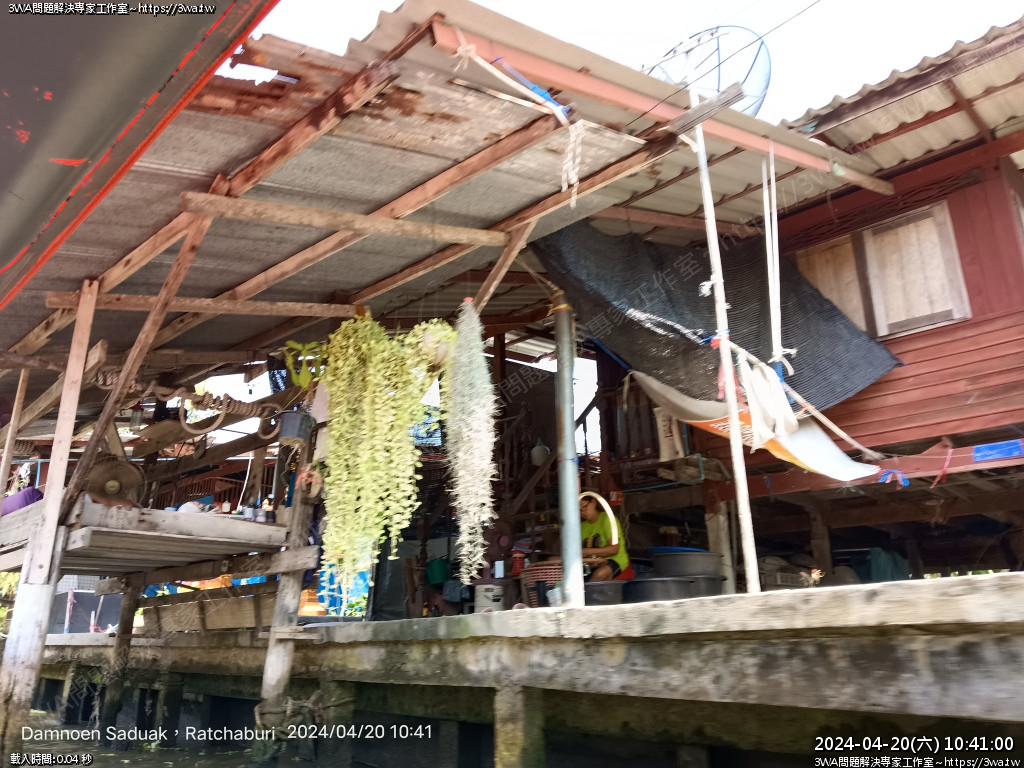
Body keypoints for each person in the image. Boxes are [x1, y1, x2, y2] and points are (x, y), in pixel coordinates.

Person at [579, 491, 631, 582]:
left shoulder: (607, 519)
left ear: (593, 502)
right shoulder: (581, 527)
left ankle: (589, 591)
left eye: (585, 507)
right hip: (591, 563)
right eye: (580, 510)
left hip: (614, 560)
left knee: (600, 573)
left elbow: (614, 549)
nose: (583, 512)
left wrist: (587, 552)